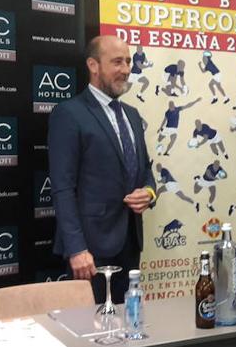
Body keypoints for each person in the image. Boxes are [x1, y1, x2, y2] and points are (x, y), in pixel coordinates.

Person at [48, 35, 156, 304]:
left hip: (130, 246)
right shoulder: (69, 114)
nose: (126, 69)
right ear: (93, 65)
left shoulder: (131, 114)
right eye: (117, 62)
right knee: (91, 333)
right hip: (90, 253)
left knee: (128, 326)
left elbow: (145, 170)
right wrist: (76, 249)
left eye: (128, 61)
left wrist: (150, 193)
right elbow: (62, 187)